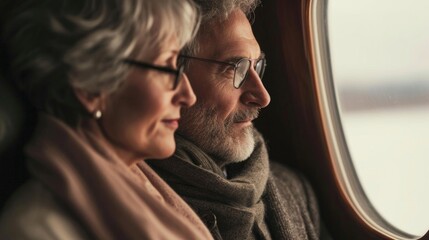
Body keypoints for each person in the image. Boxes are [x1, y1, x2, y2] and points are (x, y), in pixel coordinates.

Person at [0, 0, 213, 239]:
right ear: (90, 86)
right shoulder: (37, 228)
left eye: (179, 65)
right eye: (166, 67)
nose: (188, 96)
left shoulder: (148, 190)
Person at [148, 0, 328, 239]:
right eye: (235, 68)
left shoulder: (294, 190)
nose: (262, 96)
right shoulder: (141, 204)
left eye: (257, 66)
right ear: (172, 73)